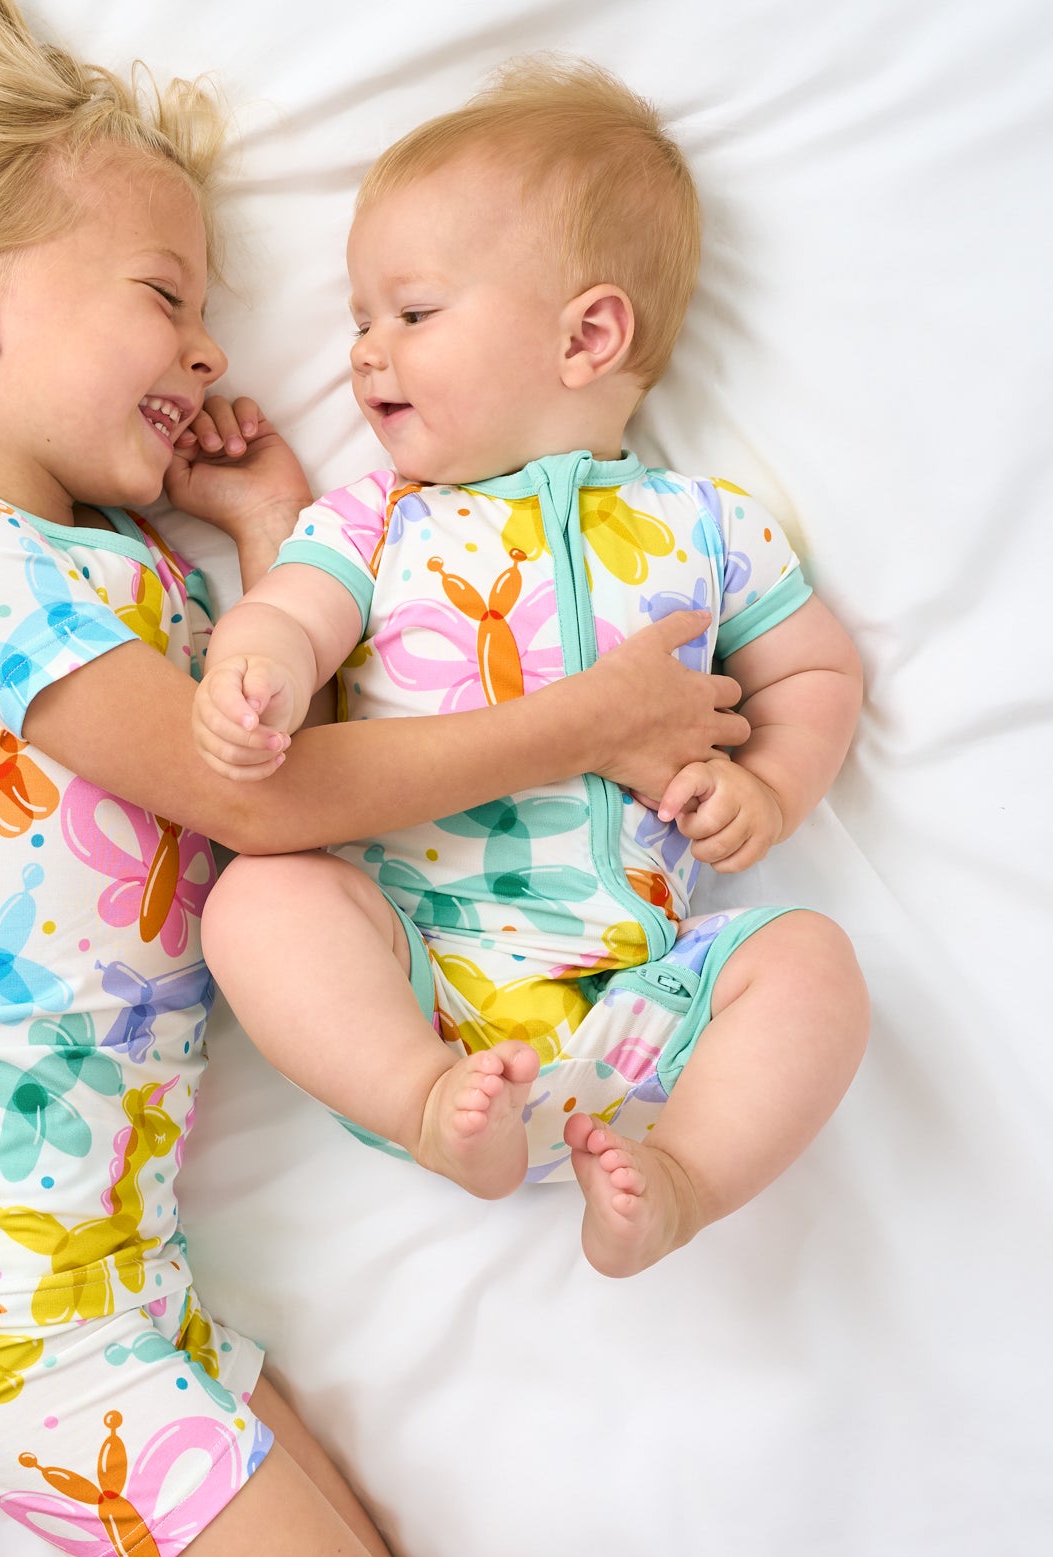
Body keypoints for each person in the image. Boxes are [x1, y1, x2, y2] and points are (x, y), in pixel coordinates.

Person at [0, 7, 751, 1557]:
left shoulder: (117, 575)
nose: (209, 353)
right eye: (164, 295)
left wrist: (267, 533)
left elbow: (281, 768)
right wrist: (587, 721)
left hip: (122, 1281)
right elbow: (264, 802)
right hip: (7, 1310)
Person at [192, 56, 869, 1281]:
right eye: (356, 320)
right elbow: (290, 614)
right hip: (412, 973)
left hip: (641, 994)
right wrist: (256, 673)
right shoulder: (377, 521)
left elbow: (814, 673)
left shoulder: (706, 528)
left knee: (810, 963)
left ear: (586, 336)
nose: (365, 353)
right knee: (258, 900)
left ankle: (679, 1178)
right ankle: (421, 1103)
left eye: (411, 313)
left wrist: (770, 788)